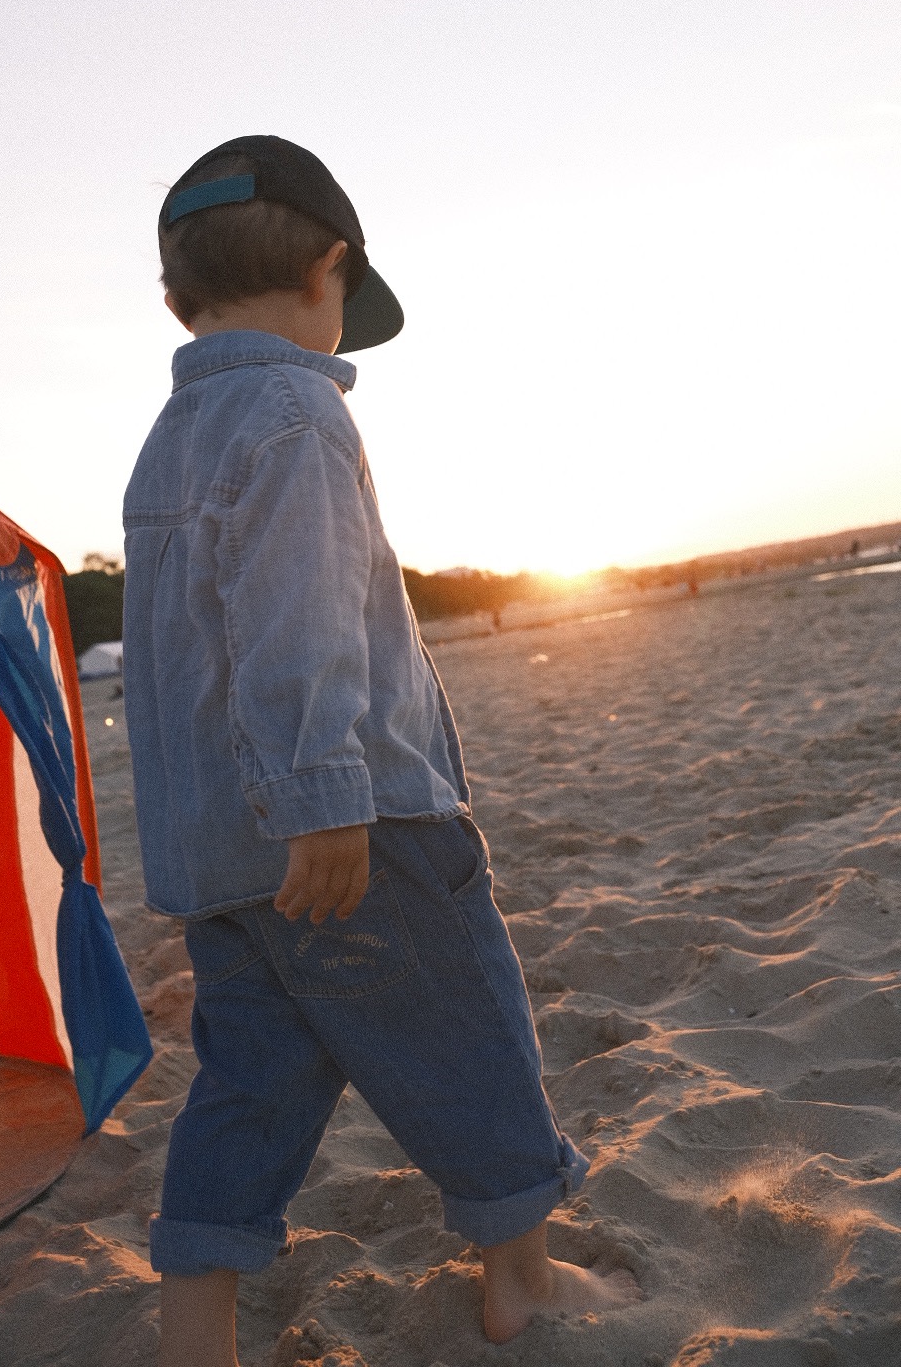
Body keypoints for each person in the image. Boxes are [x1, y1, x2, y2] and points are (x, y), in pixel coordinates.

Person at [121, 136, 640, 1366]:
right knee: (463, 1024)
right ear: (330, 270)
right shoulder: (298, 410)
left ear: (172, 300)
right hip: (351, 821)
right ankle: (519, 1274)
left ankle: (197, 1326)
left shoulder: (167, 436)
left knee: (250, 1082)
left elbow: (174, 658)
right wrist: (322, 797)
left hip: (217, 853)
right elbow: (292, 617)